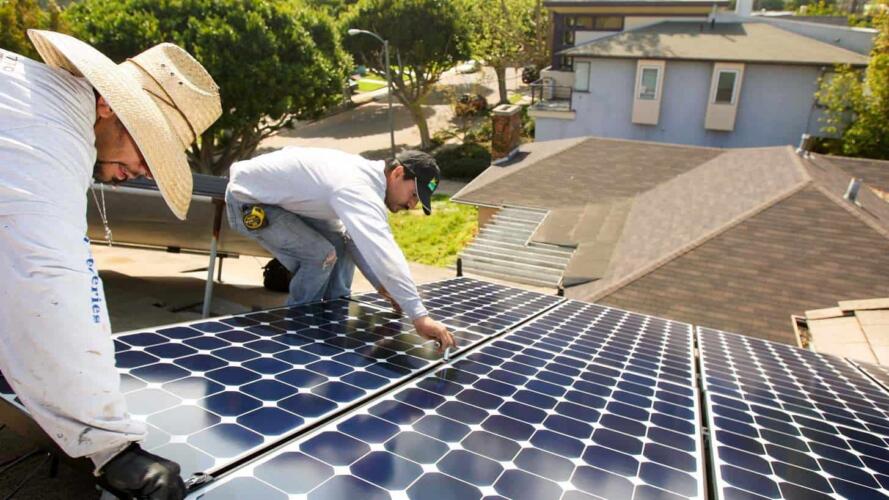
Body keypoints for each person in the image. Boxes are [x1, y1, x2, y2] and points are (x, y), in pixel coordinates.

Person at [0, 30, 221, 498]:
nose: (144, 171)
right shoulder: (49, 138)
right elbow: (52, 280)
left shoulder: (37, 98)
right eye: (148, 148)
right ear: (107, 105)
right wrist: (110, 447)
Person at [225, 147, 456, 352]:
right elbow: (382, 251)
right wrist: (419, 315)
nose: (412, 205)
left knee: (340, 243)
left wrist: (384, 286)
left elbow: (354, 241)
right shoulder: (358, 188)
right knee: (320, 255)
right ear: (397, 174)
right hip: (249, 199)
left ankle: (333, 320)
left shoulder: (365, 180)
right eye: (414, 194)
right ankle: (298, 335)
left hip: (279, 199)